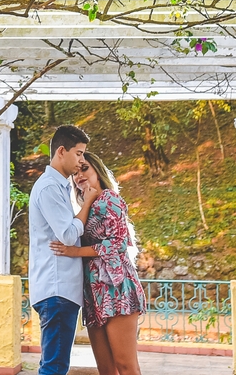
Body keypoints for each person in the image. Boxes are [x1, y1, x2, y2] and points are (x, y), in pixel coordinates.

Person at [50, 151, 147, 375]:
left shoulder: (110, 199)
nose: (79, 176)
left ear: (98, 171)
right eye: (75, 173)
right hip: (94, 292)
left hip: (116, 288)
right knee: (105, 369)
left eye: (84, 169)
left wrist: (75, 252)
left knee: (126, 366)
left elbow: (117, 243)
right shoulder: (89, 205)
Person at [29, 124, 100, 375]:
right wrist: (87, 204)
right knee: (54, 368)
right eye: (78, 153)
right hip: (56, 289)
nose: (81, 160)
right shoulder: (49, 187)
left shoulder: (59, 187)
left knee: (55, 365)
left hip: (60, 291)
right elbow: (68, 235)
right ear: (61, 151)